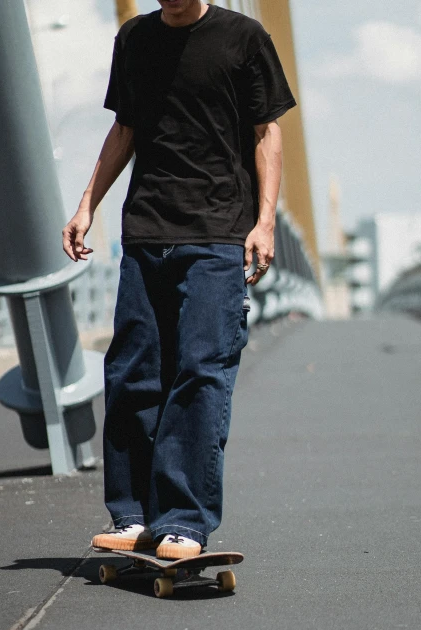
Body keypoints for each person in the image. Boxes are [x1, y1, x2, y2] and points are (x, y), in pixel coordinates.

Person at [62, 0, 295, 559]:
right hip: (145, 232)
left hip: (217, 235)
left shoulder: (243, 37)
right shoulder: (135, 40)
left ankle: (184, 521)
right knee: (132, 374)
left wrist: (264, 223)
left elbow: (267, 134)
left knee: (199, 373)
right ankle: (133, 515)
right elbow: (125, 129)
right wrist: (86, 205)